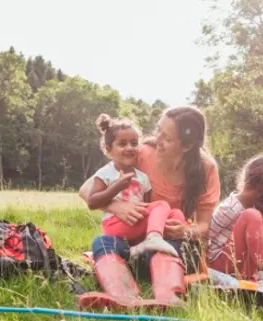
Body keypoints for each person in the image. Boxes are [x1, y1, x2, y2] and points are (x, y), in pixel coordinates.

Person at [77, 106, 221, 310]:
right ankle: (123, 297)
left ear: (187, 145)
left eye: (167, 138)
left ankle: (168, 297)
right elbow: (85, 190)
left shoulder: (206, 169)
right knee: (102, 243)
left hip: (172, 244)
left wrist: (186, 231)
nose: (157, 139)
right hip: (135, 245)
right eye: (158, 130)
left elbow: (204, 225)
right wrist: (117, 206)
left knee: (169, 245)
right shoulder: (141, 153)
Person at [85, 114, 181, 258]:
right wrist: (116, 187)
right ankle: (154, 239)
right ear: (108, 149)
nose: (129, 148)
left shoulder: (142, 178)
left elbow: (146, 207)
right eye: (122, 144)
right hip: (115, 225)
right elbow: (92, 202)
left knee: (176, 214)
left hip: (134, 225)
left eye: (134, 143)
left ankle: (149, 249)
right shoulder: (105, 173)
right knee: (162, 205)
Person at [207, 155, 263, 281]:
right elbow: (204, 237)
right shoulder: (229, 208)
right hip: (221, 265)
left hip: (243, 263)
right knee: (251, 215)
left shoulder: (254, 205)